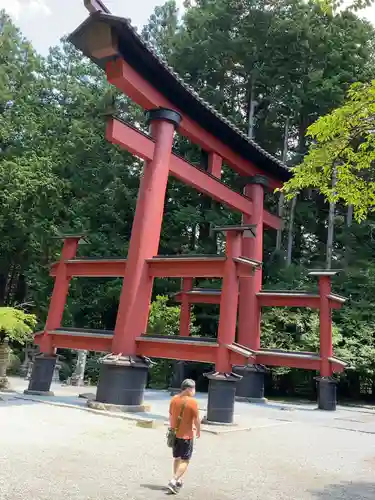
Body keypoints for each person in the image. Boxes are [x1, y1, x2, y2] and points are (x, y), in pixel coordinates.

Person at [167, 378, 201, 494]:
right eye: (193, 388)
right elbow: (196, 420)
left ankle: (178, 479)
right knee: (185, 460)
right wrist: (198, 431)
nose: (194, 391)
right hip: (186, 435)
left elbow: (171, 415)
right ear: (188, 389)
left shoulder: (174, 399)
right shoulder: (193, 402)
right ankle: (173, 480)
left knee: (177, 458)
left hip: (175, 433)